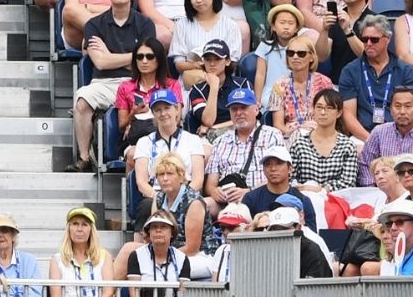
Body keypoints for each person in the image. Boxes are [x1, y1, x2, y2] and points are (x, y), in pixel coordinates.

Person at [70, 0, 165, 172]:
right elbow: (101, 63)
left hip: (138, 83)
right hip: (104, 83)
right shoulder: (94, 24)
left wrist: (110, 56)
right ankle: (84, 157)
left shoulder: (145, 23)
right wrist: (133, 57)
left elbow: (147, 62)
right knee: (82, 102)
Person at [202, 86, 285, 216]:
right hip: (227, 203)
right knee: (200, 206)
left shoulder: (272, 135)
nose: (239, 112)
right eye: (234, 109)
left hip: (261, 196)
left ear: (256, 109)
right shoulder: (220, 141)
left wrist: (249, 192)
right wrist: (215, 192)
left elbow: (280, 175)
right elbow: (210, 185)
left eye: (244, 107)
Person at [340, 17, 413, 140]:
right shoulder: (350, 71)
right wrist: (371, 140)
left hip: (401, 134)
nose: (368, 44)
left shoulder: (406, 71)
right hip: (362, 136)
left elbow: (409, 110)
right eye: (364, 39)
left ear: (388, 39)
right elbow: (348, 115)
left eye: (374, 40)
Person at [130, 90, 209, 202]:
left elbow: (198, 180)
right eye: (158, 110)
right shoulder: (144, 142)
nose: (163, 114)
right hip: (154, 196)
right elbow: (141, 182)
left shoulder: (193, 140)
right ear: (153, 114)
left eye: (167, 108)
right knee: (146, 207)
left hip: (186, 196)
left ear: (177, 109)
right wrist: (160, 199)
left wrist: (180, 199)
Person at [290, 89, 362, 195]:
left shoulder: (347, 146)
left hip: (337, 201)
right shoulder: (299, 144)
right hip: (304, 198)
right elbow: (290, 179)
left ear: (339, 113)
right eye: (319, 107)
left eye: (329, 108)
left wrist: (321, 190)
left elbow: (348, 183)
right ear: (313, 110)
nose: (323, 112)